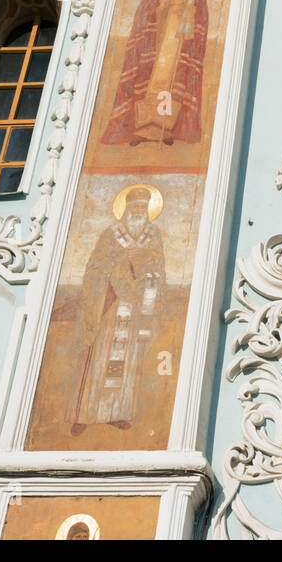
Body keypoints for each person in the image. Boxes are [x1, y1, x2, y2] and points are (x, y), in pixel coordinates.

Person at [67, 185, 166, 435]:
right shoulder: (111, 235)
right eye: (134, 207)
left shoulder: (153, 236)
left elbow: (158, 267)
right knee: (98, 358)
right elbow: (94, 267)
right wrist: (118, 269)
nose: (138, 211)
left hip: (134, 310)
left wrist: (144, 277)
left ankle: (117, 413)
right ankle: (85, 413)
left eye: (143, 208)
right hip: (108, 306)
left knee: (126, 362)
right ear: (125, 209)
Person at [101, 0, 209, 146]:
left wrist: (189, 14)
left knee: (171, 87)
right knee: (148, 87)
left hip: (178, 47)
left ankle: (165, 129)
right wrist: (162, 10)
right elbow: (143, 17)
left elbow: (202, 19)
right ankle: (142, 130)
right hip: (155, 47)